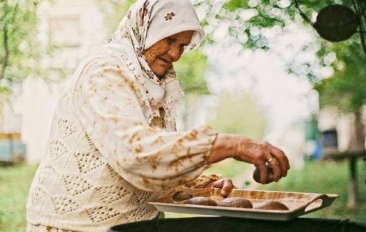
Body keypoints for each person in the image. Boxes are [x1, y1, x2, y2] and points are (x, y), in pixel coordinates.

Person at [26, 0, 290, 231]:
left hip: (134, 223)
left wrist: (195, 185)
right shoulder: (104, 73)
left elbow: (151, 166)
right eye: (170, 39)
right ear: (146, 29)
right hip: (76, 226)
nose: (175, 54)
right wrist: (231, 145)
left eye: (183, 46)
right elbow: (135, 154)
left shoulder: (152, 85)